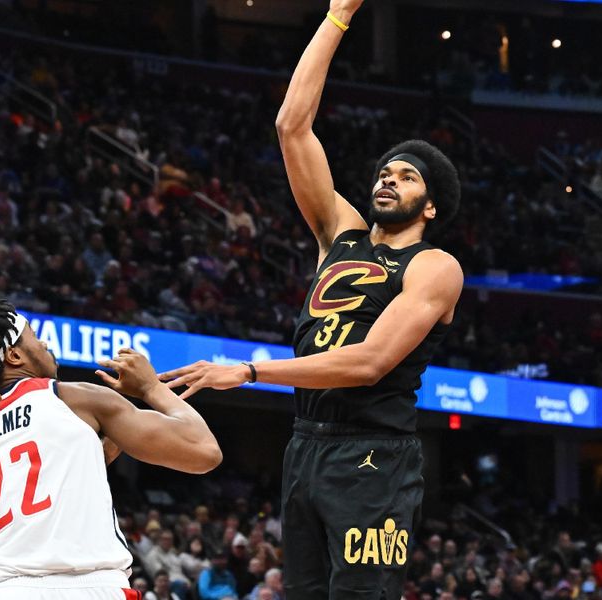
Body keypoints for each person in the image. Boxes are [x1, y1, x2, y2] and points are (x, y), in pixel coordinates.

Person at [147, 2, 462, 598]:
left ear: (430, 206)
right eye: (386, 171)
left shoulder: (434, 266)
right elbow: (293, 126)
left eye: (407, 176)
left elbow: (369, 363)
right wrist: (338, 14)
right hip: (305, 444)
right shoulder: (338, 234)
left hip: (373, 454)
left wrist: (249, 370)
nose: (388, 178)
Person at [0, 299, 222, 599]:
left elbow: (39, 486)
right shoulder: (71, 399)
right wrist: (150, 388)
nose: (44, 343)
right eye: (35, 336)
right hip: (87, 585)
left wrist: (100, 447)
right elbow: (203, 451)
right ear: (14, 355)